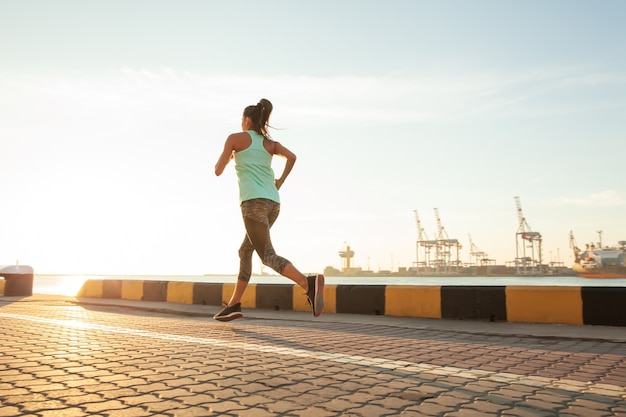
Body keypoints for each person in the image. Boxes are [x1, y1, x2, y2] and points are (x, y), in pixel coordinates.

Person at [213, 98, 324, 321]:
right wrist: (280, 180)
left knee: (267, 256)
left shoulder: (235, 139)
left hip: (253, 204)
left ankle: (306, 282)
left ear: (246, 120)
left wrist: (232, 156)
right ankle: (234, 304)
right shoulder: (269, 144)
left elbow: (217, 170)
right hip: (273, 203)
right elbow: (292, 157)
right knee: (245, 251)